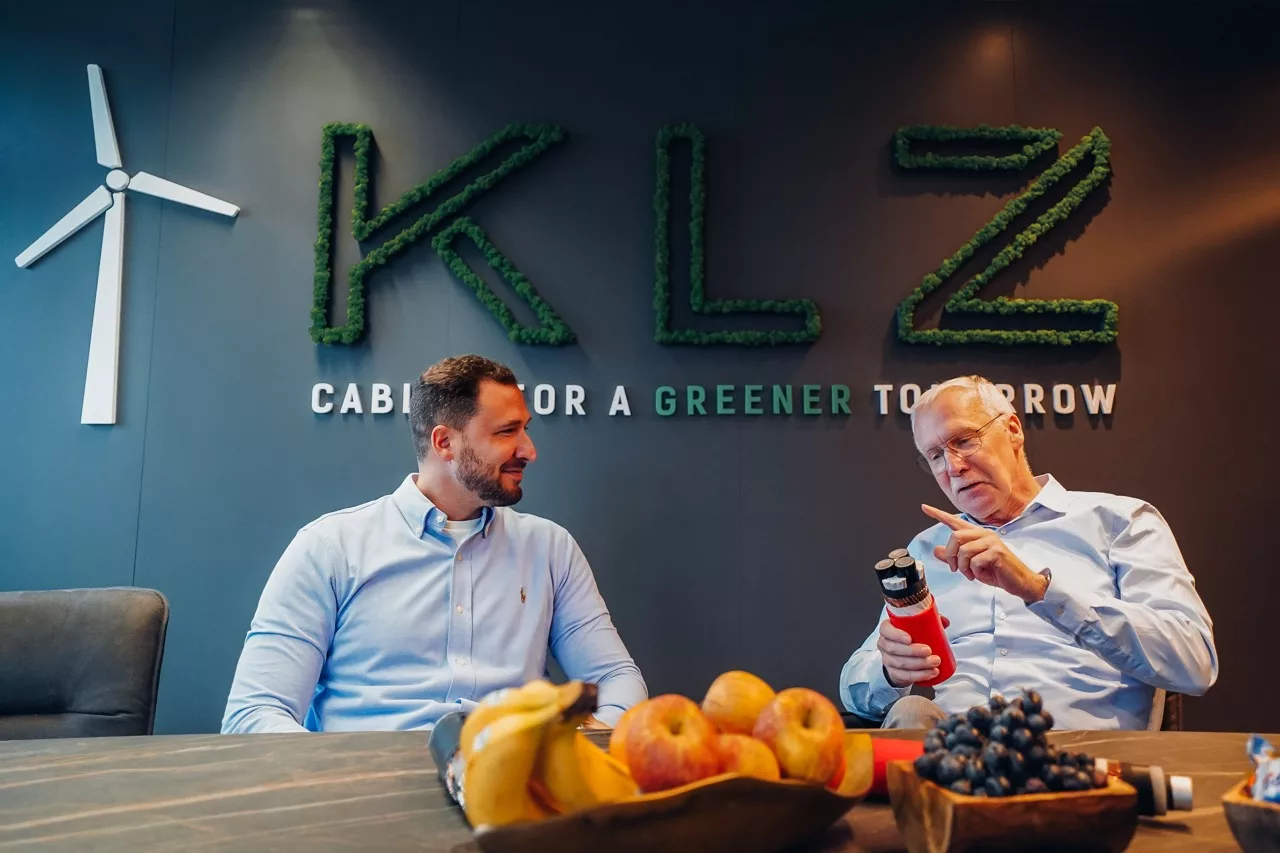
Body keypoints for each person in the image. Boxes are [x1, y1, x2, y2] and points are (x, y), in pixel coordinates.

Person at [222, 355, 647, 733]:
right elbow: (254, 713)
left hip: (512, 782)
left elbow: (616, 677)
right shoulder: (329, 548)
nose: (529, 450)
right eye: (507, 431)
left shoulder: (550, 548)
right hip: (364, 784)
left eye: (526, 429)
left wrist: (587, 742)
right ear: (444, 443)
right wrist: (337, 778)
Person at [839, 375, 1217, 730]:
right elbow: (854, 686)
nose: (953, 467)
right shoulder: (928, 550)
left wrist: (1039, 590)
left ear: (1013, 431)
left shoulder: (1120, 522)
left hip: (1075, 757)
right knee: (910, 712)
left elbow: (1194, 662)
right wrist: (890, 671)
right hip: (953, 756)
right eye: (935, 456)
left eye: (964, 441)